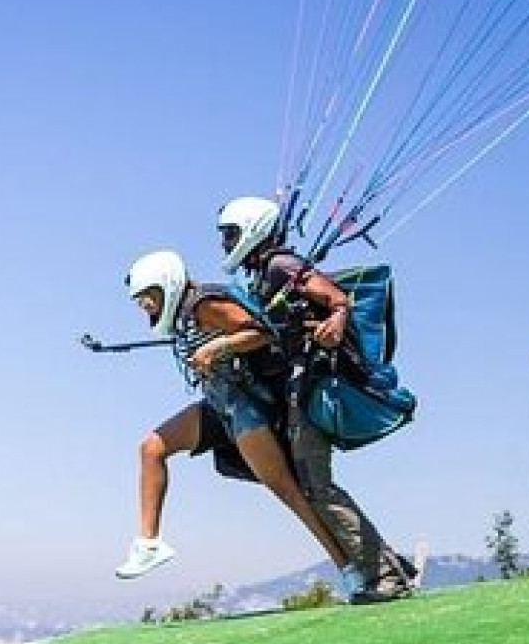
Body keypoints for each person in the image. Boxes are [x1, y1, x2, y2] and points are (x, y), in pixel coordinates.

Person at [116, 249, 363, 592]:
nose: (147, 307)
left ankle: (349, 570)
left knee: (289, 491)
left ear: (168, 285)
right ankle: (148, 544)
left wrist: (214, 350)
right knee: (151, 448)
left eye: (149, 298)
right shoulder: (184, 315)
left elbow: (260, 332)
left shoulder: (205, 304)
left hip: (247, 409)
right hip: (219, 405)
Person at [216, 196, 417, 603]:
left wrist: (336, 320)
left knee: (317, 486)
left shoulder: (280, 266)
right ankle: (390, 564)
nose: (225, 244)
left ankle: (387, 576)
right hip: (300, 386)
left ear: (253, 230)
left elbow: (338, 298)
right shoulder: (263, 272)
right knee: (312, 484)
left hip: (312, 382)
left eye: (231, 234)